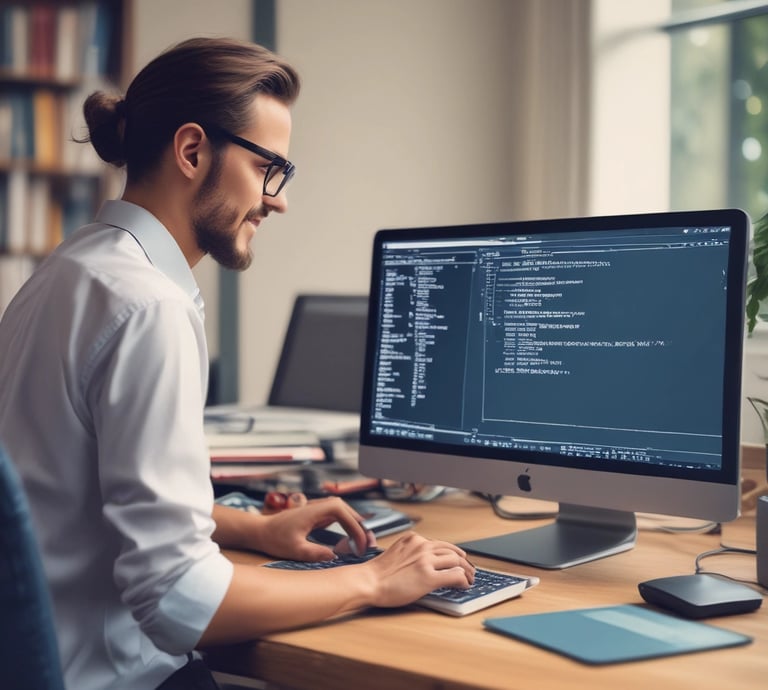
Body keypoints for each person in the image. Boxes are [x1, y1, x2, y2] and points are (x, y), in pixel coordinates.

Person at [0, 37, 474, 689]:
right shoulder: (148, 309)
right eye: (267, 168)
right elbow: (176, 603)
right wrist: (371, 579)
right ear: (193, 151)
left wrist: (255, 529)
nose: (277, 200)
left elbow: (86, 495)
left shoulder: (65, 274)